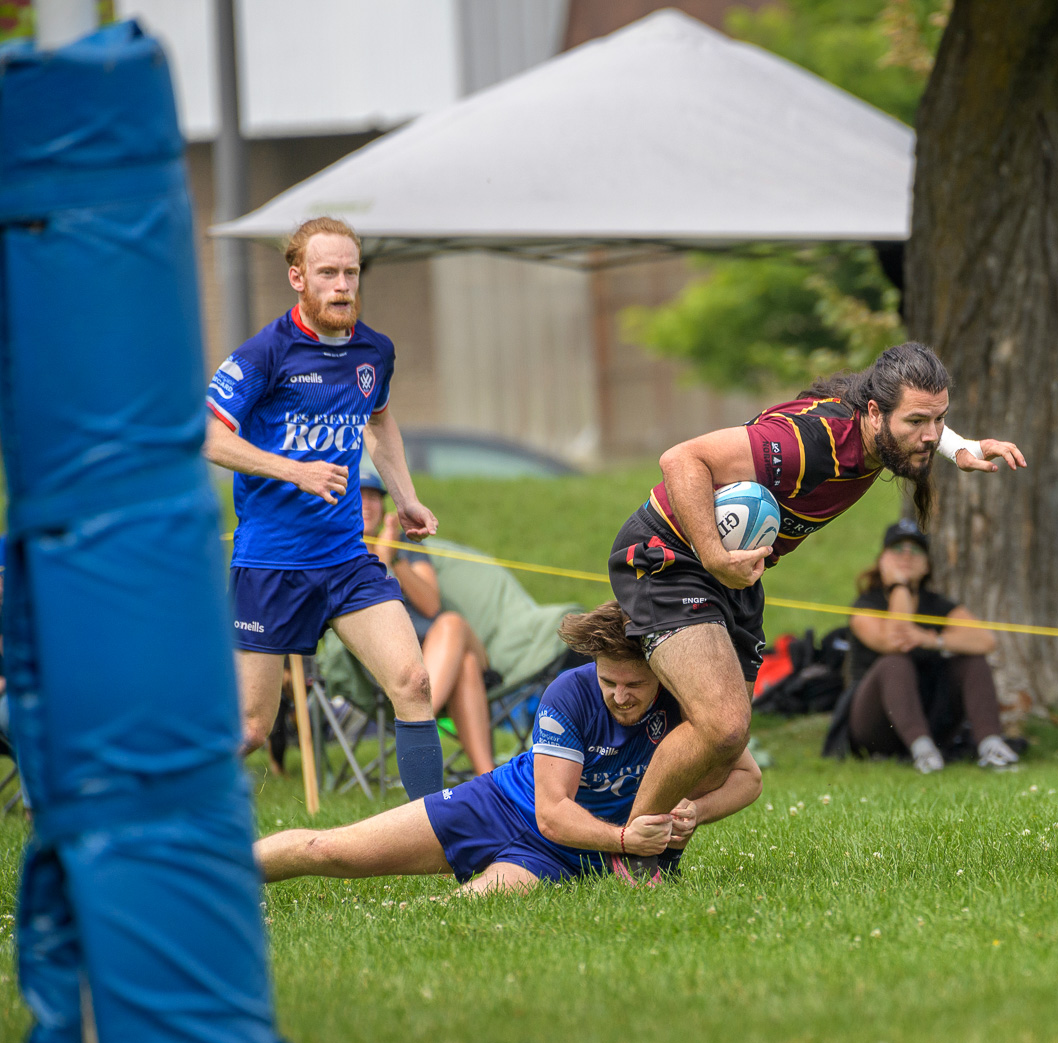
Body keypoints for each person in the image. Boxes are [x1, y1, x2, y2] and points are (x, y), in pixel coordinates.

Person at [609, 342, 1025, 879]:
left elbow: (921, 420)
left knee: (724, 765)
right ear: (873, 412)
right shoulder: (808, 442)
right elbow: (681, 459)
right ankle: (631, 855)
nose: (930, 432)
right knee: (723, 726)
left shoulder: (883, 431)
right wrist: (715, 556)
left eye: (939, 419)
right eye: (918, 421)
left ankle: (631, 833)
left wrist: (960, 446)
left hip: (733, 578)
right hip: (671, 557)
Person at [255, 602, 759, 893]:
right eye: (609, 681)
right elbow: (553, 814)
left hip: (567, 859)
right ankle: (205, 875)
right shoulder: (571, 692)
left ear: (660, 674)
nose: (619, 696)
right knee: (332, 850)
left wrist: (693, 808)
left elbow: (748, 779)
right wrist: (627, 842)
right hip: (497, 806)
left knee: (446, 919)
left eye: (635, 685)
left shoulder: (684, 700)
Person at [204, 216, 444, 800]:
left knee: (412, 681)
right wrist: (294, 470)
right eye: (327, 273)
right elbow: (209, 436)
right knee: (252, 729)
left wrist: (407, 498)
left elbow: (381, 424)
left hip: (345, 559)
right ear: (298, 278)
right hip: (272, 565)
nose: (342, 285)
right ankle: (153, 803)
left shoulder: (374, 352)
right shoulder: (266, 352)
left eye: (350, 273)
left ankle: (438, 839)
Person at [844, 519, 1017, 772]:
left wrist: (932, 639)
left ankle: (991, 746)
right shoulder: (866, 604)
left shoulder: (937, 605)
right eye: (897, 549)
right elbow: (896, 641)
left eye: (915, 550)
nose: (906, 555)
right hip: (876, 724)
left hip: (931, 716)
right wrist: (900, 586)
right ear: (882, 560)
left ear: (926, 565)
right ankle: (922, 752)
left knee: (972, 659)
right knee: (895, 662)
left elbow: (986, 640)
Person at [359, 469, 495, 774]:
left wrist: (395, 558)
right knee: (467, 665)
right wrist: (379, 560)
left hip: (441, 644)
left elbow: (431, 604)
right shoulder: (343, 551)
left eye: (373, 497)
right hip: (393, 661)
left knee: (451, 624)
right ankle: (488, 777)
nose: (367, 504)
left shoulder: (407, 545)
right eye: (359, 496)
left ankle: (417, 720)